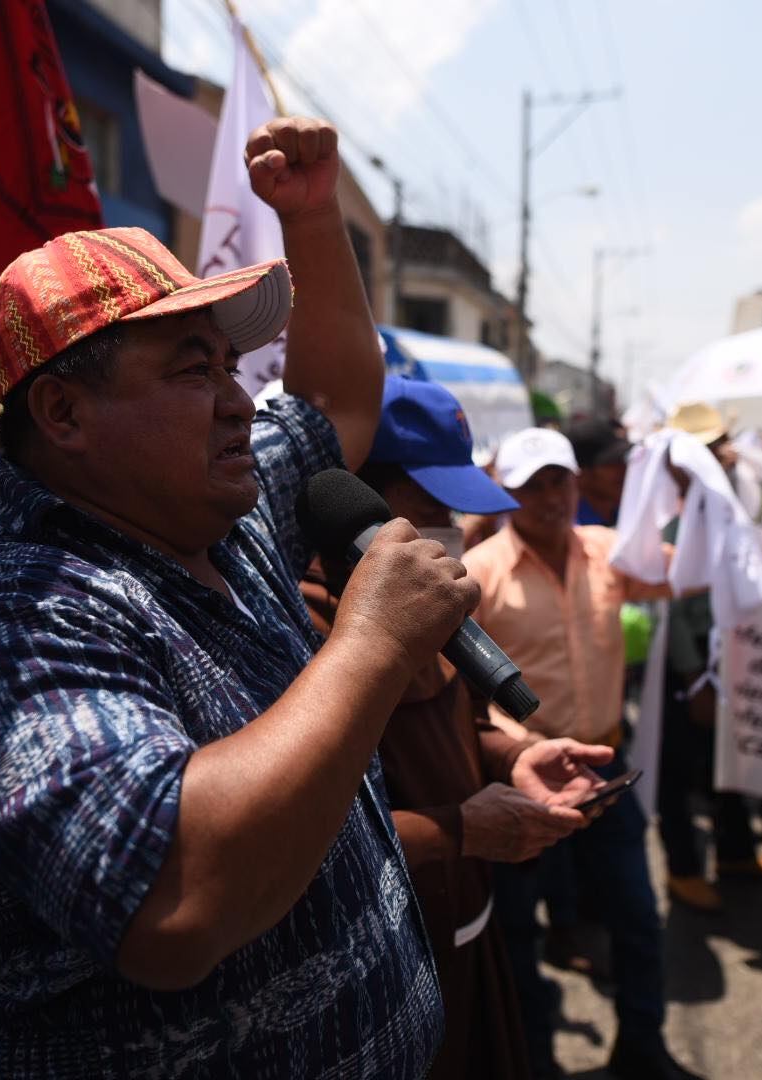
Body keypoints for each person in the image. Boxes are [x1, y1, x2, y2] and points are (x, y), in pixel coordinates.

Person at [0, 118, 464, 1077]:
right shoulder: (7, 623)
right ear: (63, 413)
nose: (241, 401)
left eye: (229, 365)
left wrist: (313, 221)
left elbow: (342, 403)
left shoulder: (219, 512)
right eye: (193, 369)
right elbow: (173, 903)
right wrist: (371, 644)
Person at [301, 375, 621, 1080]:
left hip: (470, 923)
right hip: (387, 965)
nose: (450, 529)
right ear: (356, 502)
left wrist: (515, 759)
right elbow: (310, 838)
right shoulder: (308, 629)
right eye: (431, 507)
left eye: (458, 508)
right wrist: (457, 831)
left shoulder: (435, 602)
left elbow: (463, 725)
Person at [464, 427, 695, 1080]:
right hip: (523, 780)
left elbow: (694, 570)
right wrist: (517, 753)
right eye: (530, 485)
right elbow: (463, 700)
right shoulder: (478, 577)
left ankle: (643, 1049)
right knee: (517, 936)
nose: (548, 498)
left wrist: (696, 490)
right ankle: (532, 1059)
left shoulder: (610, 553)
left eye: (558, 480)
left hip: (602, 773)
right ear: (503, 494)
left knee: (638, 922)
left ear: (576, 483)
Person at [655, 404, 762, 914]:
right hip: (689, 673)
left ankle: (735, 853)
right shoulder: (677, 521)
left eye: (723, 445)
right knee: (676, 768)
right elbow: (675, 604)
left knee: (731, 763)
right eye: (711, 449)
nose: (724, 456)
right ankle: (683, 867)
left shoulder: (727, 508)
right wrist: (694, 679)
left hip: (728, 663)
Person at [568, 418, 631, 527]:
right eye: (612, 463)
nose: (624, 468)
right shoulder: (571, 529)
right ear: (581, 476)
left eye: (623, 459)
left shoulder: (631, 512)